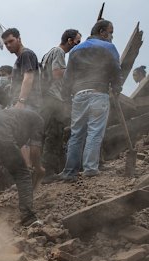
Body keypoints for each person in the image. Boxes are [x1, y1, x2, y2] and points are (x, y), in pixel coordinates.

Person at [54, 19, 122, 182]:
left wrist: (65, 97)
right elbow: (116, 69)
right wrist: (117, 89)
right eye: (110, 32)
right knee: (94, 132)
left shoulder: (76, 49)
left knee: (76, 134)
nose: (111, 36)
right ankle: (90, 168)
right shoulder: (109, 47)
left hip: (79, 95)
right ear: (102, 32)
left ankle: (70, 171)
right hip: (99, 93)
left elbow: (68, 76)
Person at [40, 29, 82, 183]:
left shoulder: (49, 52)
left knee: (51, 135)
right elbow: (58, 73)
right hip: (54, 99)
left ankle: (52, 170)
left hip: (47, 99)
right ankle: (48, 173)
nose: (78, 45)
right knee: (54, 135)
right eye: (77, 41)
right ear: (69, 41)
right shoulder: (58, 52)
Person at [2, 28, 42, 110]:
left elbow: (28, 78)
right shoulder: (21, 57)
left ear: (19, 39)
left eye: (11, 41)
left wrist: (21, 101)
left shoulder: (26, 54)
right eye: (6, 43)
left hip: (27, 104)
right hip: (21, 104)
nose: (8, 45)